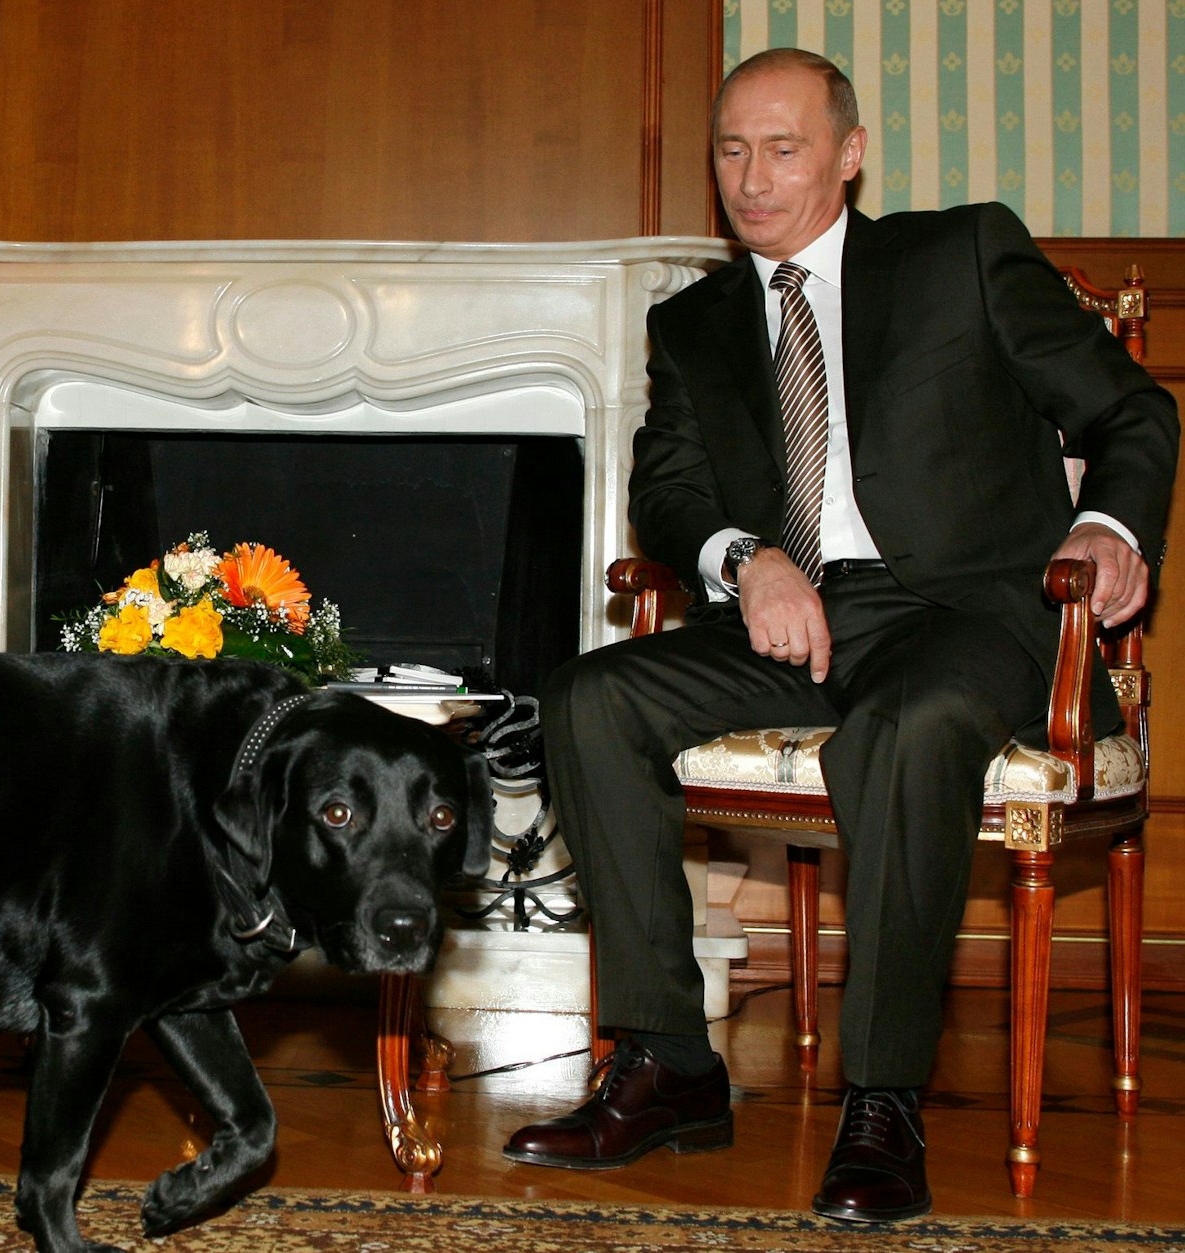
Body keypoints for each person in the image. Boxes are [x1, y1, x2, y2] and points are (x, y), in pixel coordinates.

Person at [502, 48, 1176, 1223]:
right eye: (728, 150)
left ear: (849, 155)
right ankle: (665, 1057)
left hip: (969, 615)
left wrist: (1108, 527)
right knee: (587, 695)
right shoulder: (695, 321)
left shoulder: (956, 256)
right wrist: (741, 556)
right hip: (799, 617)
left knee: (902, 724)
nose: (750, 178)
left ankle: (880, 1094)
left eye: (782, 147)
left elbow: (1130, 406)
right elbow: (665, 495)